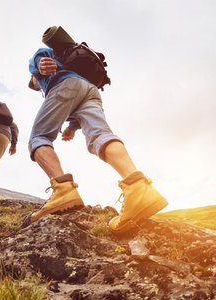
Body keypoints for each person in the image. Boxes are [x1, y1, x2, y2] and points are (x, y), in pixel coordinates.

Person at [23, 26, 168, 234]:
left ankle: (63, 190)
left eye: (34, 84)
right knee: (101, 136)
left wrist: (39, 67)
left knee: (39, 137)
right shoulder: (72, 66)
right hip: (90, 90)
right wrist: (73, 127)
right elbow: (75, 101)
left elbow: (38, 60)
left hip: (66, 86)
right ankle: (138, 187)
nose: (36, 85)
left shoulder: (42, 60)